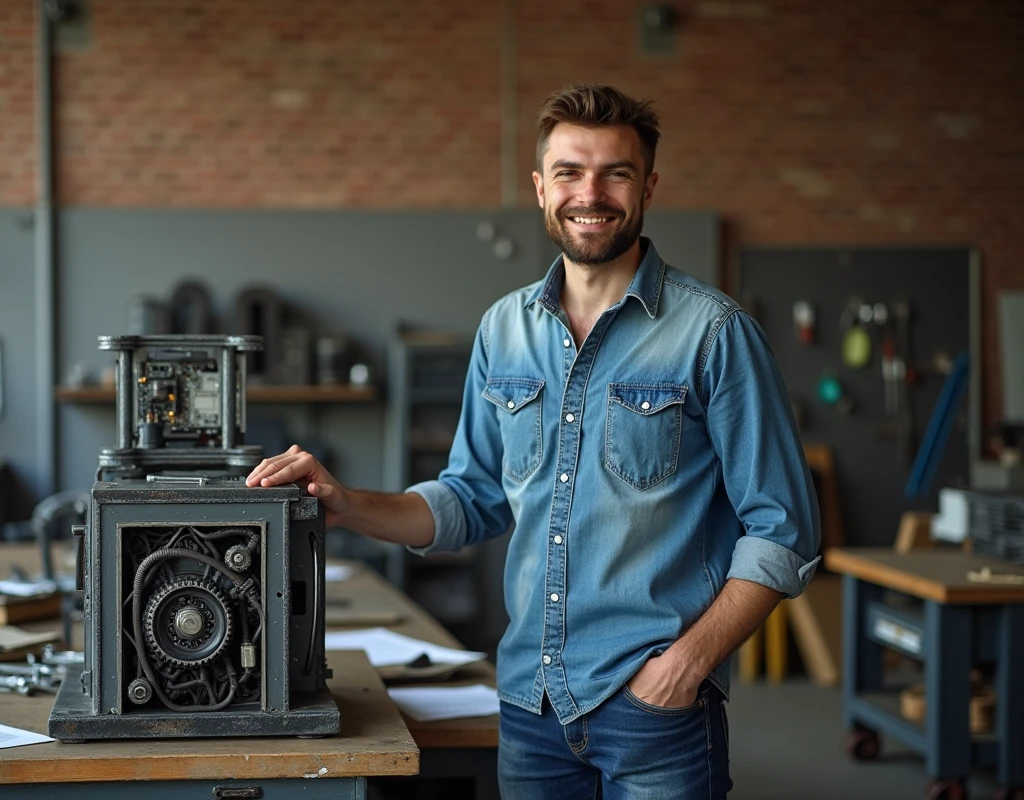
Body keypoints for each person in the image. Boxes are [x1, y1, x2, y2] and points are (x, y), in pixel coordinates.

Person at [247, 83, 821, 799]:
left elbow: (782, 529)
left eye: (616, 173)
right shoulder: (503, 329)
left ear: (648, 186)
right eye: (569, 172)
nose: (591, 194)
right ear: (541, 187)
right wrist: (346, 502)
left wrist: (685, 666)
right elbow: (470, 498)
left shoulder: (715, 334)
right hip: (530, 707)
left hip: (656, 713)